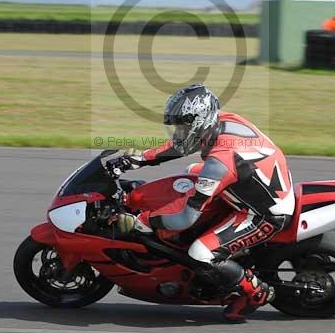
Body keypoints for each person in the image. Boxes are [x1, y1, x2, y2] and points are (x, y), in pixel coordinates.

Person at [111, 84, 295, 322]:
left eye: (183, 126)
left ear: (199, 123)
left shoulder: (219, 162)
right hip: (248, 185)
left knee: (200, 253)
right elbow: (185, 145)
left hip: (263, 214)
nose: (178, 132)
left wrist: (142, 220)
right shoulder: (224, 122)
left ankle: (255, 292)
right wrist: (140, 158)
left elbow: (185, 219)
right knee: (189, 174)